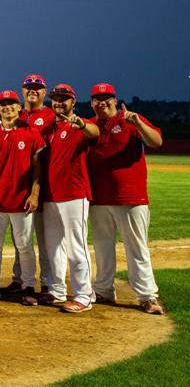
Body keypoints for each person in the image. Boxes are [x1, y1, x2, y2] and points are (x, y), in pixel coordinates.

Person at [87, 83, 164, 315]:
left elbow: (156, 142)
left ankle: (147, 296)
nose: (102, 102)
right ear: (92, 102)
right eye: (97, 98)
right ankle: (103, 290)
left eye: (106, 97)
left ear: (114, 99)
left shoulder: (130, 120)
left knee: (136, 248)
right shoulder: (91, 126)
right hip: (99, 198)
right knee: (102, 247)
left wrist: (138, 123)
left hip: (130, 197)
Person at [0, 90, 45, 305]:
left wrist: (34, 194)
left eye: (11, 104)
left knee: (24, 245)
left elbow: (37, 168)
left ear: (19, 108)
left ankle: (28, 286)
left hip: (21, 200)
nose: (7, 108)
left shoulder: (31, 132)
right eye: (3, 105)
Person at [40, 84, 98, 312]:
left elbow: (95, 134)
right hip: (50, 195)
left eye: (64, 99)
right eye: (55, 99)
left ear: (73, 102)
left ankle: (84, 294)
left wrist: (82, 125)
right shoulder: (48, 129)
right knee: (53, 246)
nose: (59, 102)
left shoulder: (81, 125)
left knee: (76, 245)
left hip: (74, 194)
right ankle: (57, 290)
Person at [11, 73, 56, 293]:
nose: (33, 90)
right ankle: (19, 279)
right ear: (22, 90)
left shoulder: (50, 115)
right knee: (21, 238)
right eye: (29, 86)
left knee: (45, 238)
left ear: (44, 92)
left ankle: (48, 282)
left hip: (44, 185)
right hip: (19, 186)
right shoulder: (16, 116)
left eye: (37, 87)